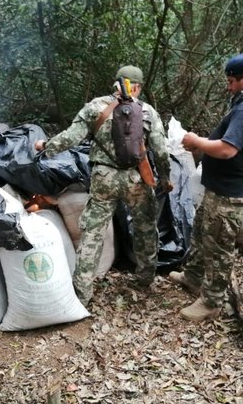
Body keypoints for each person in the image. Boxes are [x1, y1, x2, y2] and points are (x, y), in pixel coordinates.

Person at [34, 66, 172, 306]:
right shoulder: (148, 112)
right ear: (137, 86)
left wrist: (46, 146)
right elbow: (161, 151)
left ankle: (82, 293)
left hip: (103, 178)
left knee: (93, 233)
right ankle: (145, 278)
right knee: (146, 228)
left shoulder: (96, 107)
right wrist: (164, 177)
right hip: (136, 180)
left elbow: (70, 137)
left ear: (116, 83)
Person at [168, 53, 243, 323]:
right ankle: (192, 276)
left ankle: (211, 302)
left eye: (231, 81)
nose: (228, 87)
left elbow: (227, 149)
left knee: (218, 246)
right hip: (220, 186)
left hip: (231, 190)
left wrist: (196, 141)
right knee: (203, 232)